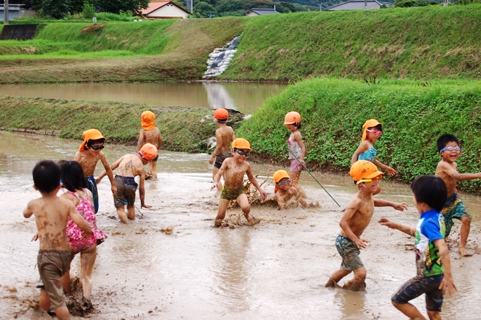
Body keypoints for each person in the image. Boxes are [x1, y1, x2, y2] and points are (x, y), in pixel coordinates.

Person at [379, 175, 457, 320]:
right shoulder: (437, 218)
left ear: (422, 202)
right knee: (433, 313)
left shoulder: (427, 222)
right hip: (438, 276)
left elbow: (443, 247)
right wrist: (395, 225)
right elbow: (418, 233)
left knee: (397, 300)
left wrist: (449, 276)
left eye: (414, 197)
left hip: (427, 276)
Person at [24, 160, 92, 320]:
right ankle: (55, 306)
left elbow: (25, 214)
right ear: (60, 185)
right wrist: (88, 231)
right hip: (64, 254)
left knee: (49, 293)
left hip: (48, 256)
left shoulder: (34, 204)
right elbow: (81, 222)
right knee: (54, 285)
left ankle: (45, 314)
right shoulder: (66, 204)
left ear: (35, 187)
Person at [325, 160, 407, 291]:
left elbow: (375, 202)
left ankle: (328, 287)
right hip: (345, 241)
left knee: (346, 270)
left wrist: (393, 204)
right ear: (361, 184)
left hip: (350, 241)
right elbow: (343, 222)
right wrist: (355, 239)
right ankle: (350, 295)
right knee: (361, 273)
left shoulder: (368, 196)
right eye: (371, 179)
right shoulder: (356, 201)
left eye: (376, 178)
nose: (376, 182)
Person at [58, 160, 107, 300]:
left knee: (63, 268)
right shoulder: (88, 192)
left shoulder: (65, 197)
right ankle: (86, 301)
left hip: (72, 240)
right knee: (85, 276)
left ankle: (68, 297)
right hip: (90, 238)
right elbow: (91, 213)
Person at [435, 133, 481, 257]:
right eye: (450, 149)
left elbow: (450, 179)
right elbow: (457, 176)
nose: (454, 151)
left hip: (453, 199)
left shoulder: (453, 164)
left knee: (466, 218)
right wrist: (478, 175)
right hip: (441, 203)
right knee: (443, 232)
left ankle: (462, 247)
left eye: (456, 148)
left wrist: (453, 188)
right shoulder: (442, 164)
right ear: (441, 153)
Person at [212, 138, 267, 227]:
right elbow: (219, 174)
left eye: (247, 153)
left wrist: (260, 189)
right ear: (233, 151)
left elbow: (251, 178)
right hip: (227, 191)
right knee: (221, 215)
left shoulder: (246, 165)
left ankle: (247, 216)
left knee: (246, 207)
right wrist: (216, 182)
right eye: (241, 152)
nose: (244, 156)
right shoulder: (227, 162)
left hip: (239, 191)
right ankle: (216, 227)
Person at [98, 143, 158, 223]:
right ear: (145, 158)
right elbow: (141, 188)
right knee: (130, 205)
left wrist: (100, 177)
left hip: (118, 181)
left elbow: (111, 167)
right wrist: (142, 202)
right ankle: (131, 221)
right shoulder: (141, 168)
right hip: (130, 183)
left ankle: (125, 223)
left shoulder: (126, 156)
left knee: (120, 207)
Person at [74, 129, 117, 213]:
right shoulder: (79, 156)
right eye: (96, 147)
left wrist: (113, 185)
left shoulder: (100, 154)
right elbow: (73, 172)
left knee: (95, 207)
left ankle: (90, 219)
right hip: (80, 182)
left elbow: (108, 168)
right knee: (81, 205)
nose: (99, 150)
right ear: (87, 145)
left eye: (101, 147)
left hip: (91, 180)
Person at [209, 108, 235, 190]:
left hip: (221, 155)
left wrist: (213, 156)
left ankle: (220, 193)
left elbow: (219, 146)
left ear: (216, 120)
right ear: (226, 119)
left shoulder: (218, 131)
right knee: (227, 176)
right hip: (230, 154)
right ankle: (229, 191)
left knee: (215, 176)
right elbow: (234, 142)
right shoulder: (230, 129)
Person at [136, 111, 163, 179]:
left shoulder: (143, 130)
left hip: (145, 152)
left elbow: (140, 141)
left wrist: (138, 151)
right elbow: (160, 141)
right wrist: (157, 149)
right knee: (153, 169)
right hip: (154, 151)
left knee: (140, 166)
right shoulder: (157, 130)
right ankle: (154, 184)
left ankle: (143, 178)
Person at [285, 111, 306, 185]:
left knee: (292, 183)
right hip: (294, 160)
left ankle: (301, 196)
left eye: (289, 125)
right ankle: (301, 196)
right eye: (287, 125)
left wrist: (301, 159)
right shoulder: (293, 133)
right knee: (293, 182)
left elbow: (303, 147)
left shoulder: (296, 134)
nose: (288, 127)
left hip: (297, 160)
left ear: (296, 124)